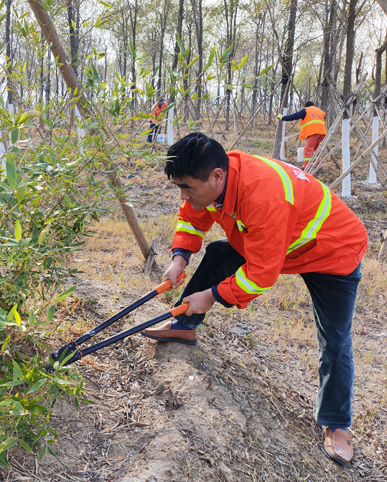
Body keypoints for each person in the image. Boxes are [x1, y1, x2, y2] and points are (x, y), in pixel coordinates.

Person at [141, 133, 368, 466]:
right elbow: (192, 216)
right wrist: (179, 258)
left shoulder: (264, 197)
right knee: (220, 253)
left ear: (216, 177)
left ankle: (337, 424)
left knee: (334, 338)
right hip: (280, 242)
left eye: (186, 187)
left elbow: (261, 273)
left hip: (333, 251)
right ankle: (184, 324)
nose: (183, 195)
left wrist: (214, 294)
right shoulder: (217, 177)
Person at [278, 101, 326, 169]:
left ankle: (306, 166)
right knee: (317, 149)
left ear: (306, 106)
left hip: (313, 132)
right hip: (322, 132)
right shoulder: (320, 111)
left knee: (308, 149)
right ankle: (317, 165)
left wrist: (283, 117)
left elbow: (294, 116)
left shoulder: (306, 110)